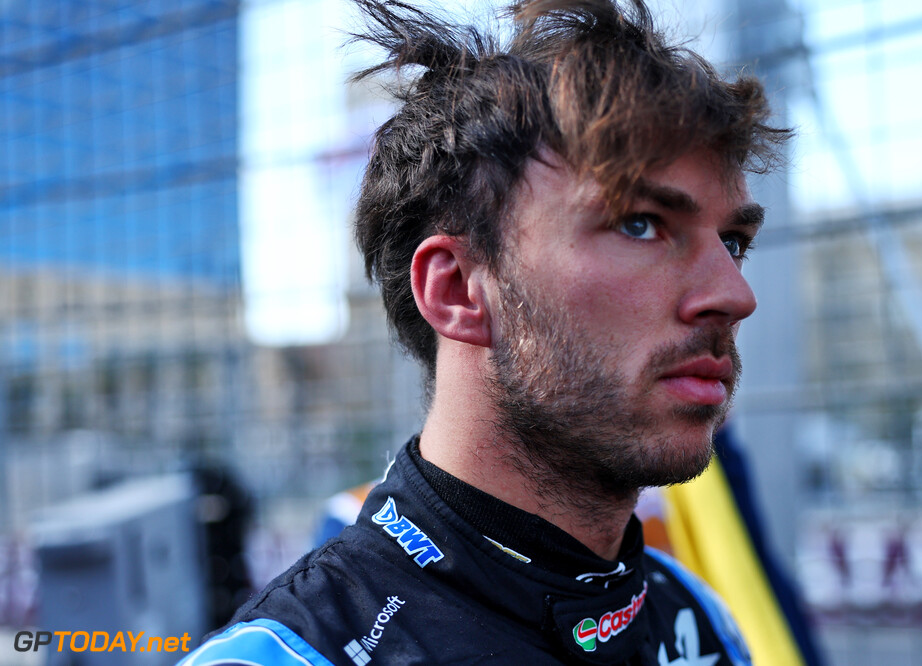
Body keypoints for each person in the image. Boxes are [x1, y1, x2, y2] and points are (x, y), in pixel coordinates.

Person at [182, 0, 787, 663]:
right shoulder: (292, 654)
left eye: (733, 241)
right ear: (458, 290)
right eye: (640, 223)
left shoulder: (696, 618)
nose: (734, 295)